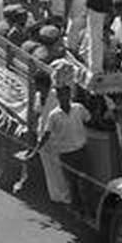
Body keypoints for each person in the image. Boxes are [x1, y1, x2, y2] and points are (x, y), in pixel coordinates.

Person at [27, 83, 91, 213]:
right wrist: (35, 151)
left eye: (66, 94)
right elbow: (46, 134)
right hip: (66, 155)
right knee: (72, 184)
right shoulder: (54, 115)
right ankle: (77, 210)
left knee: (84, 181)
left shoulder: (79, 108)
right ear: (58, 97)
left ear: (70, 95)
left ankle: (86, 208)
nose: (64, 97)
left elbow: (89, 119)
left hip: (81, 151)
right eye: (61, 95)